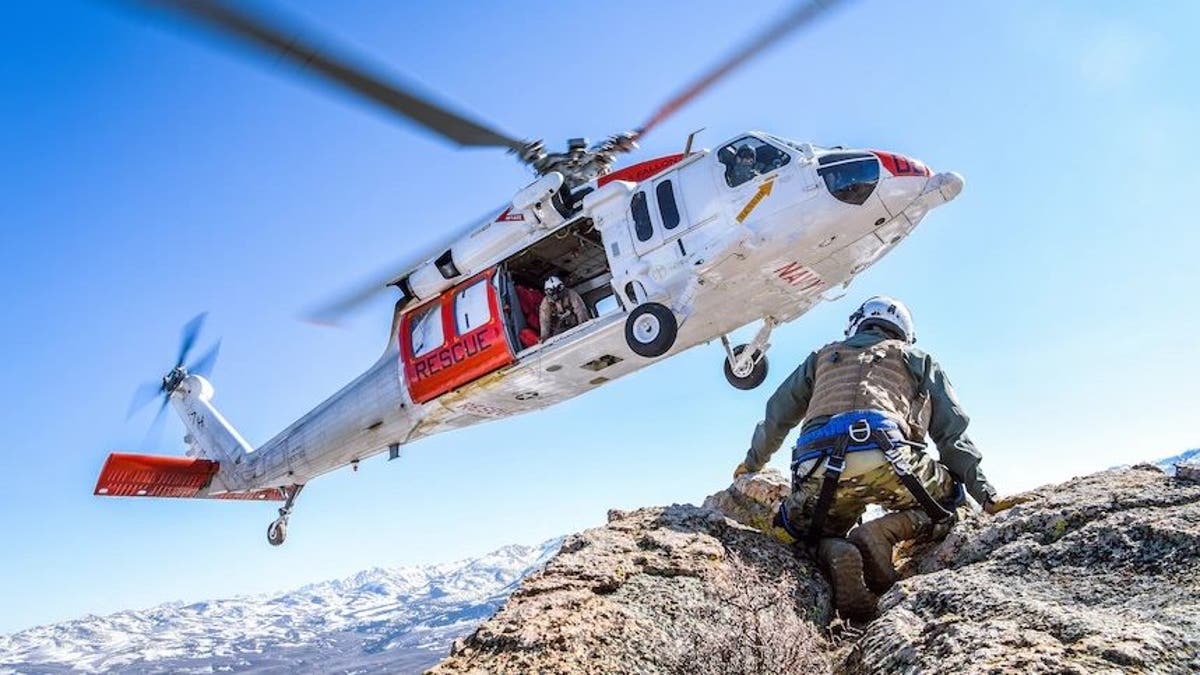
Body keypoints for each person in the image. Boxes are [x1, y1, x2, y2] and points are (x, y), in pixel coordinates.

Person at [734, 296, 1006, 619]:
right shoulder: (916, 358)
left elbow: (777, 415)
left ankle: (833, 547)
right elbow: (952, 434)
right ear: (903, 332)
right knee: (951, 505)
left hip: (817, 466)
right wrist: (986, 495)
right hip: (891, 459)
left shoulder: (821, 357)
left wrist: (751, 464)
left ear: (858, 323)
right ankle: (881, 533)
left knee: (800, 532)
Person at [539, 275, 589, 340]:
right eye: (552, 292)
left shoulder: (571, 293)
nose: (556, 295)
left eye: (558, 290)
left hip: (575, 324)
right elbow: (544, 320)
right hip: (559, 329)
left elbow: (580, 309)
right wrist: (544, 336)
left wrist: (583, 325)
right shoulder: (545, 302)